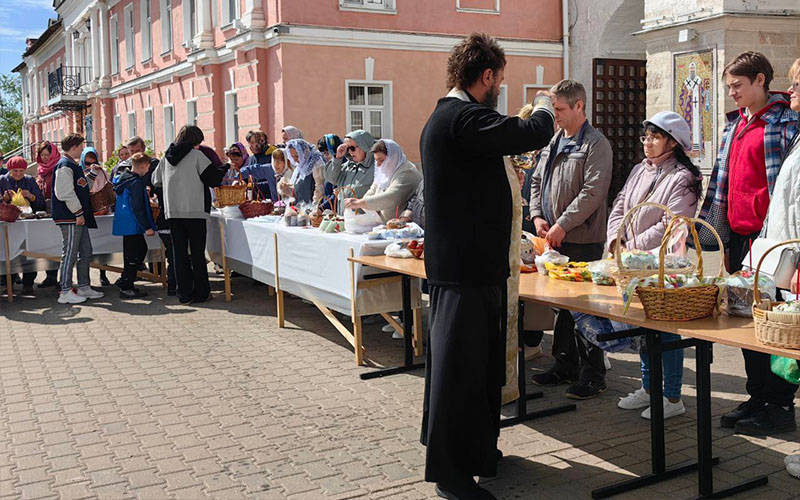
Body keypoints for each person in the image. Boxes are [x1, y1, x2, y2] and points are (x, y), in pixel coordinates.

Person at [419, 33, 555, 499]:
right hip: (464, 270)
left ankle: (476, 452)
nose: (500, 88)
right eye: (500, 79)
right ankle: (451, 474)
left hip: (473, 267)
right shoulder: (461, 118)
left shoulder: (454, 116)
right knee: (459, 373)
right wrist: (544, 105)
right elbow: (530, 133)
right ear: (487, 76)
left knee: (476, 369)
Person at [698, 52, 799, 436]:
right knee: (746, 324)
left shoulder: (787, 123)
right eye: (728, 87)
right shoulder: (733, 126)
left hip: (774, 245)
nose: (732, 93)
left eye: (738, 86)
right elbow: (719, 188)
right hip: (741, 243)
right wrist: (716, 238)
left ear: (760, 81)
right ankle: (757, 396)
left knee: (778, 326)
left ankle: (780, 405)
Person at [598, 111, 701, 418]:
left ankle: (671, 397)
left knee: (666, 329)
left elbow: (672, 224)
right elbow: (619, 206)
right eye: (646, 136)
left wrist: (634, 247)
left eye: (655, 137)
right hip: (632, 265)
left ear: (673, 142)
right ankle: (648, 388)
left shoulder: (682, 177)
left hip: (664, 266)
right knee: (643, 325)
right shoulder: (639, 170)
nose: (648, 143)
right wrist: (616, 240)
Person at [527, 79, 613, 399]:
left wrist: (562, 224)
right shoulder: (554, 141)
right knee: (563, 307)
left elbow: (593, 191)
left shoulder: (595, 144)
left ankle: (593, 374)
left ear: (579, 106)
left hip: (582, 238)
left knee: (585, 307)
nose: (555, 115)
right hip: (554, 237)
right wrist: (538, 216)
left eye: (560, 109)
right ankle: (565, 364)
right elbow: (537, 181)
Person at [152, 126, 228, 304]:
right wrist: (224, 168)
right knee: (197, 254)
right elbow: (213, 179)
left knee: (179, 254)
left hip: (173, 211)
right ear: (196, 141)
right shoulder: (197, 156)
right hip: (195, 210)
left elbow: (156, 180)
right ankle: (202, 293)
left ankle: (184, 294)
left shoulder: (166, 158)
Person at [51, 134, 105, 304]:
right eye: (81, 146)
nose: (82, 149)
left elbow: (82, 188)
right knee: (70, 253)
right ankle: (65, 290)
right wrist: (78, 213)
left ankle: (83, 286)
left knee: (85, 252)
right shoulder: (64, 165)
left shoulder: (72, 165)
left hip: (76, 216)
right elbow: (64, 193)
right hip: (70, 217)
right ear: (74, 147)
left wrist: (93, 174)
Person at [112, 153, 157, 299]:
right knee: (135, 253)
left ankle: (125, 280)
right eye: (148, 167)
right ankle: (126, 285)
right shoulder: (136, 182)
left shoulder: (123, 178)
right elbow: (137, 207)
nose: (148, 170)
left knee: (134, 252)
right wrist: (147, 226)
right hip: (134, 223)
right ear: (143, 166)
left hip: (126, 222)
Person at [343, 139, 421, 222]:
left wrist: (360, 203)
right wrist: (359, 204)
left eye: (382, 160)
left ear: (393, 157)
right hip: (383, 225)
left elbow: (391, 197)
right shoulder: (386, 170)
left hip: (400, 227)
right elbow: (373, 190)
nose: (378, 165)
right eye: (376, 161)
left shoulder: (407, 172)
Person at [0, 157, 46, 294]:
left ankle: (28, 283)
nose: (18, 174)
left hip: (27, 223)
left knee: (29, 252)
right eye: (15, 171)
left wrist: (31, 197)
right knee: (8, 252)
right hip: (8, 224)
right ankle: (9, 282)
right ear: (9, 169)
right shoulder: (2, 180)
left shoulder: (30, 180)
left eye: (21, 170)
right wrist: (4, 199)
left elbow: (41, 204)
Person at [325, 130, 376, 209]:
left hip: (366, 219)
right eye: (347, 148)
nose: (350, 152)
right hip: (345, 218)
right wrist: (337, 158)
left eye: (352, 148)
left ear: (364, 147)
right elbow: (331, 178)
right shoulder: (347, 166)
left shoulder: (376, 169)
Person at [34, 141, 61, 288]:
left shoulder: (58, 168)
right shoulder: (41, 170)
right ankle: (49, 276)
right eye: (42, 155)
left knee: (56, 244)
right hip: (43, 211)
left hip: (57, 211)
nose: (44, 158)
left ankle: (59, 277)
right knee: (46, 244)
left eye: (47, 155)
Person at [285, 139, 326, 206]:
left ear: (304, 152)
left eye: (297, 156)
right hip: (301, 207)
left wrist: (315, 206)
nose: (295, 159)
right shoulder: (300, 166)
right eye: (292, 157)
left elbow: (320, 187)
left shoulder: (316, 163)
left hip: (311, 207)